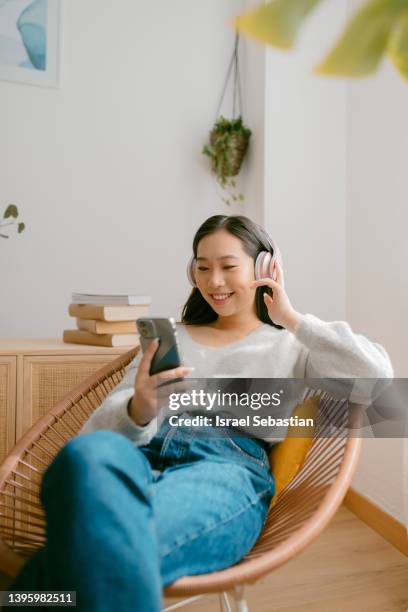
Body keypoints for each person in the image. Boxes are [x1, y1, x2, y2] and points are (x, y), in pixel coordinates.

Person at [9, 215, 393, 611]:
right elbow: (92, 436)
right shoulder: (169, 337)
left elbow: (377, 379)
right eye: (203, 267)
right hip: (138, 452)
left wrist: (292, 318)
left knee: (100, 545)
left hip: (223, 465)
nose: (214, 282)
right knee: (82, 458)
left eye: (228, 267)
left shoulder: (290, 345)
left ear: (264, 267)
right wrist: (139, 407)